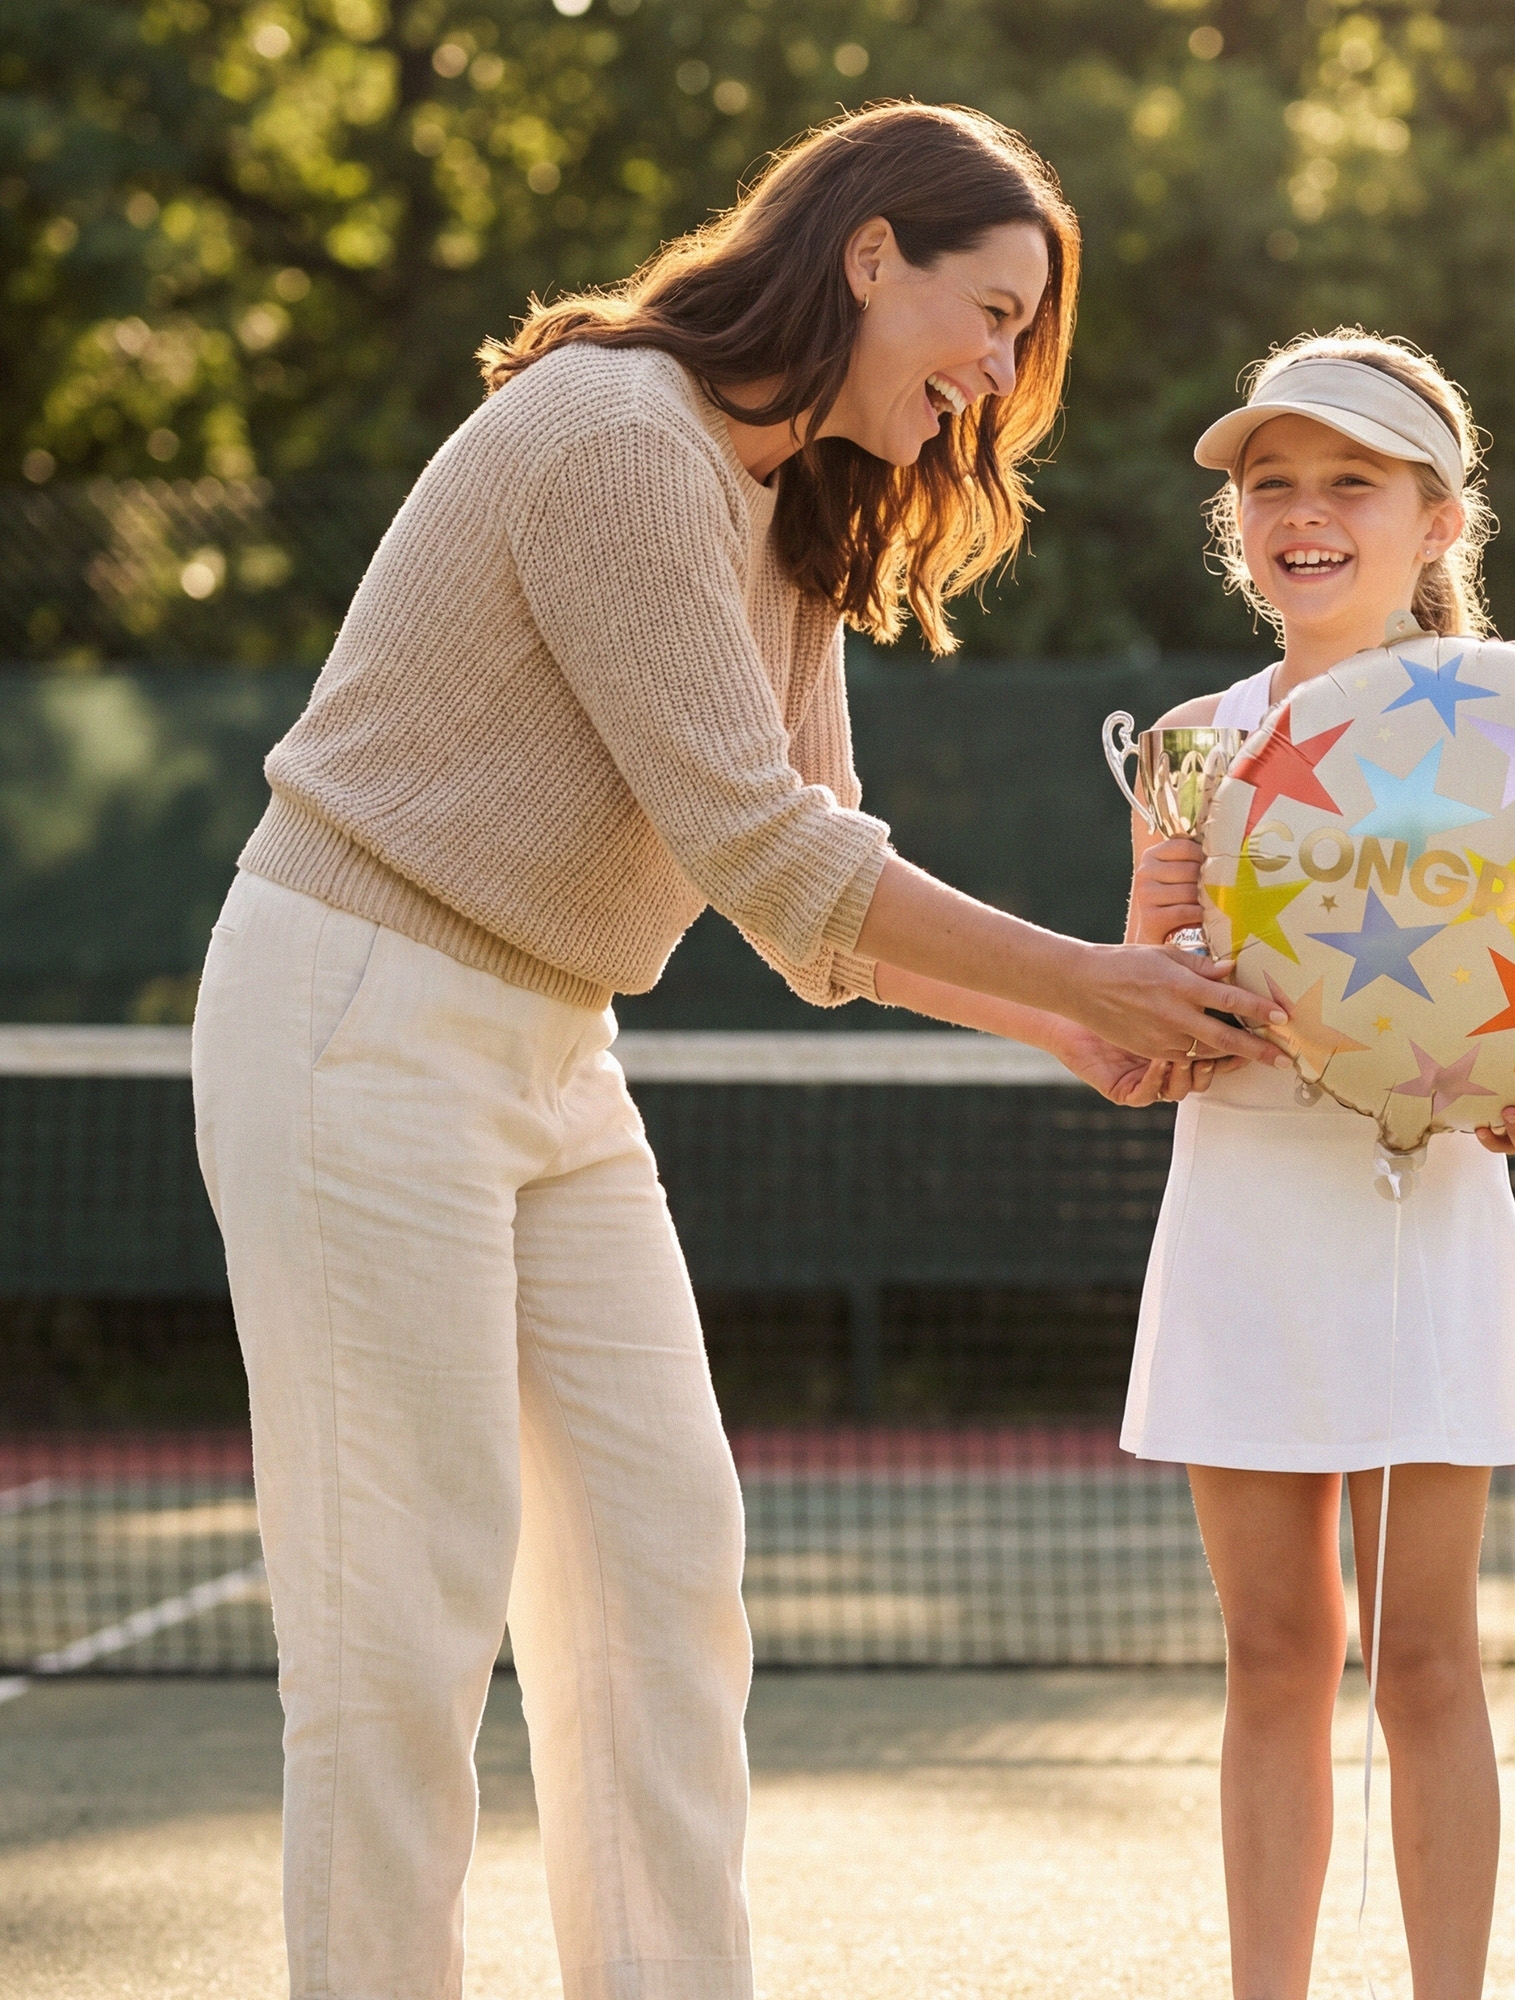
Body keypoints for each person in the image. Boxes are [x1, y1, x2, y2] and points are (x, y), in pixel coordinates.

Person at [192, 102, 1285, 2000]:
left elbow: (816, 899)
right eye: (991, 314)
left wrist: (1069, 1021)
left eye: (1025, 339)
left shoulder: (792, 508)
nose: (1000, 373)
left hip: (553, 1046)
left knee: (662, 1576)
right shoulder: (619, 436)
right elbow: (765, 849)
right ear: (868, 254)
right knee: (401, 1614)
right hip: (359, 1010)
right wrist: (1094, 986)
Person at [1118, 330, 1515, 2000]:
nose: (1304, 513)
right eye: (1273, 484)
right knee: (1274, 1652)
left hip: (1431, 1224)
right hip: (1242, 1215)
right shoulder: (1189, 744)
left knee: (1424, 1663)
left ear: (1438, 523)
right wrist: (1173, 988)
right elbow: (1137, 1042)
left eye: (1352, 481)